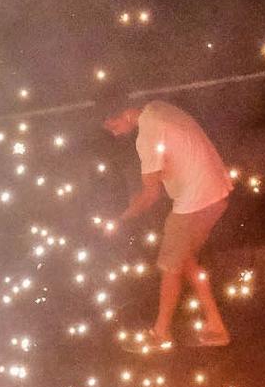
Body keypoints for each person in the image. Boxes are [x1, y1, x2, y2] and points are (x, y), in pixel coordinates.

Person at [100, 89, 233, 351]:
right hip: (217, 191)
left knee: (169, 266)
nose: (114, 133)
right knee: (184, 259)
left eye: (113, 125)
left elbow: (151, 193)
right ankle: (216, 326)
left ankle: (161, 334)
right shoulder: (158, 108)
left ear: (126, 113)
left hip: (196, 201)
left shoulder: (147, 135)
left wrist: (121, 219)